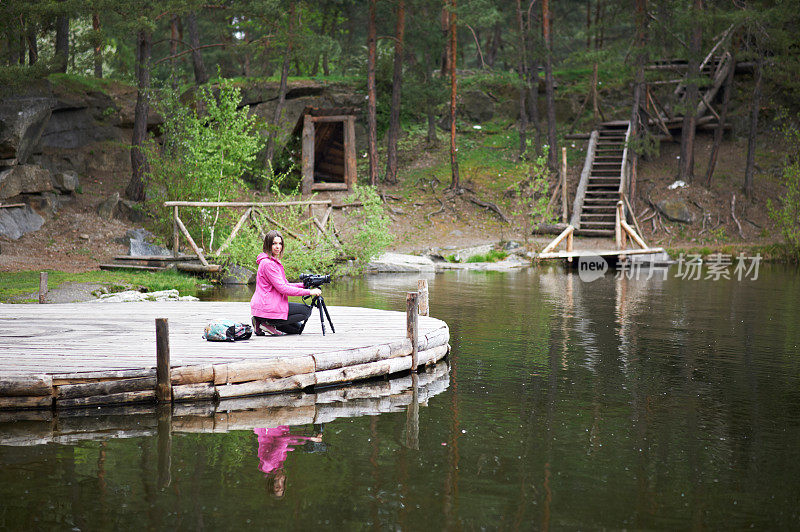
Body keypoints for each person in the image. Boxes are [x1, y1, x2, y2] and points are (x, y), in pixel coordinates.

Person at [250, 230, 321, 336]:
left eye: (280, 243)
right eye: (274, 243)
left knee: (298, 329)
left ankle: (261, 321)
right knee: (306, 311)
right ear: (267, 245)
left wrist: (305, 285)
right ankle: (267, 322)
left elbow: (285, 284)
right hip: (268, 305)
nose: (277, 247)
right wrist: (309, 292)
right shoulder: (268, 264)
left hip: (270, 304)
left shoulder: (273, 262)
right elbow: (283, 289)